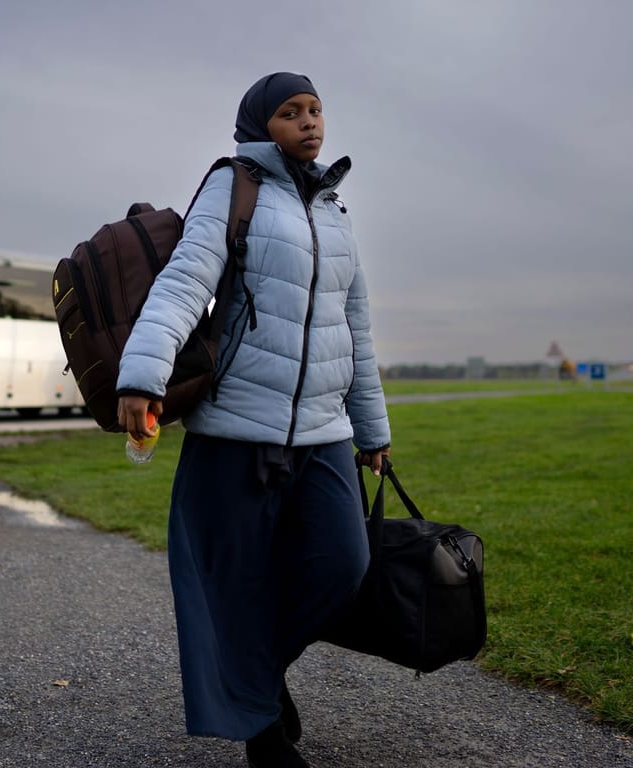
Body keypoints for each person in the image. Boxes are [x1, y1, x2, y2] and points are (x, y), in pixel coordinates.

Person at [116, 72, 392, 768]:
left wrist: (372, 429)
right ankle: (261, 732)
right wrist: (143, 374)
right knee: (236, 583)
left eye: (316, 110)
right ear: (259, 124)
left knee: (343, 566)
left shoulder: (334, 209)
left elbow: (352, 325)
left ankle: (259, 679)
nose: (309, 122)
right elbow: (187, 278)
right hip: (238, 427)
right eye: (291, 112)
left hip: (324, 432)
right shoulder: (234, 185)